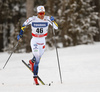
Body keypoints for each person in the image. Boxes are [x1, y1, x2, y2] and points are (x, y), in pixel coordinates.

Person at [17, 5, 58, 85]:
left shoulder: (47, 19)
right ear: (37, 13)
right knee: (37, 59)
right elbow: (24, 25)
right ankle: (35, 78)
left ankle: (31, 62)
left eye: (43, 13)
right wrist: (20, 34)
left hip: (42, 41)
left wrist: (53, 21)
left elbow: (56, 27)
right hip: (35, 41)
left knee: (38, 58)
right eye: (40, 13)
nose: (42, 15)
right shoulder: (33, 19)